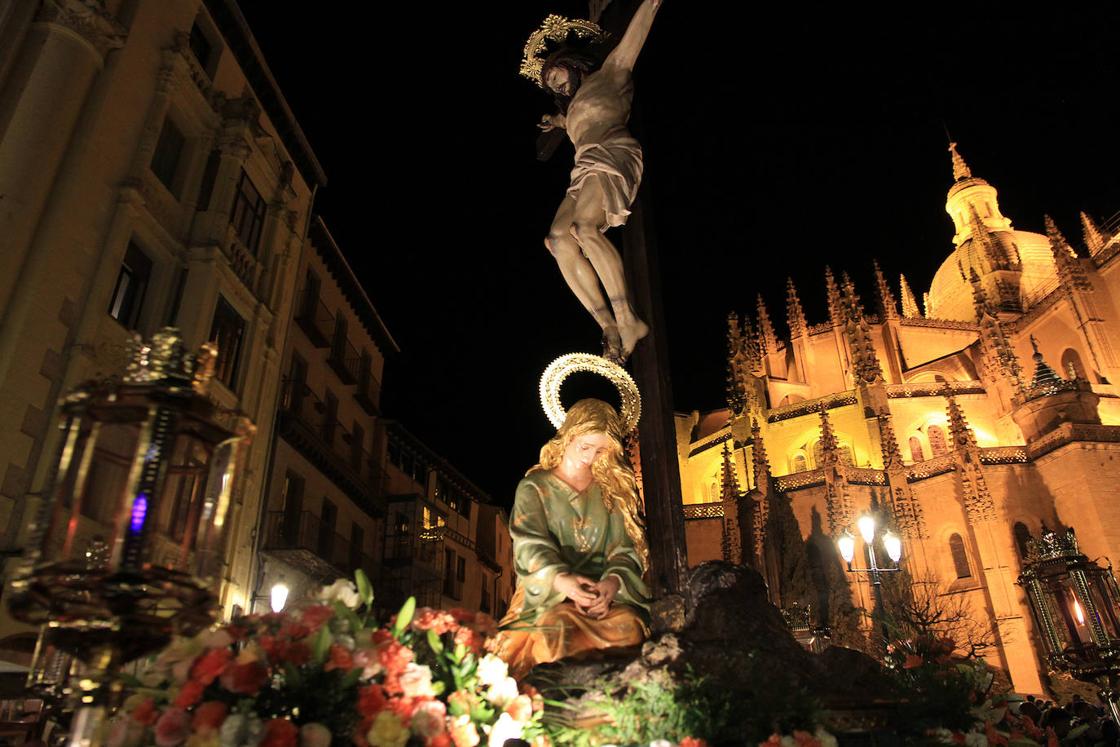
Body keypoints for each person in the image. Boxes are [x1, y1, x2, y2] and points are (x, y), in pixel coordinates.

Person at [532, 0, 662, 362]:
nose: (554, 85)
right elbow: (573, 122)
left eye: (555, 75)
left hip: (612, 152)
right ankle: (607, 325)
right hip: (583, 167)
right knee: (557, 240)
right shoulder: (571, 109)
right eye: (548, 84)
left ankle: (628, 319)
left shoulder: (612, 73)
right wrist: (557, 123)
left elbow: (640, 26)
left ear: (573, 64)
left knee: (584, 228)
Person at [491, 399, 650, 677]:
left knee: (630, 627)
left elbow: (623, 550)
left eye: (601, 450)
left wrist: (612, 584)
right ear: (568, 437)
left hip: (604, 604)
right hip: (550, 599)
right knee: (556, 634)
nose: (590, 457)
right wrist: (562, 581)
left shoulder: (612, 493)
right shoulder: (535, 488)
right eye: (585, 447)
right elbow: (529, 544)